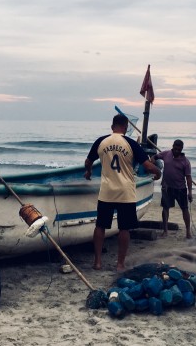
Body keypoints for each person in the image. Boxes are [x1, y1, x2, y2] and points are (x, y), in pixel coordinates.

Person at [84, 114, 161, 272]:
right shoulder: (131, 143)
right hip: (125, 192)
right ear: (126, 128)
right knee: (124, 229)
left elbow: (88, 161)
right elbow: (147, 166)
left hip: (107, 191)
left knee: (100, 226)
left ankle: (97, 262)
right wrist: (158, 172)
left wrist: (88, 172)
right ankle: (120, 264)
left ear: (112, 126)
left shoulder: (101, 141)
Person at [153, 139, 193, 239]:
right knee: (165, 208)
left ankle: (188, 232)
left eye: (179, 149)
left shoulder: (185, 162)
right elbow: (155, 157)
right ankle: (165, 231)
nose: (176, 151)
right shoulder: (166, 154)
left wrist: (190, 192)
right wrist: (152, 163)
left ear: (181, 149)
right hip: (167, 187)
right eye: (175, 148)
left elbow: (188, 178)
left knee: (185, 209)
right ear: (173, 146)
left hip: (180, 189)